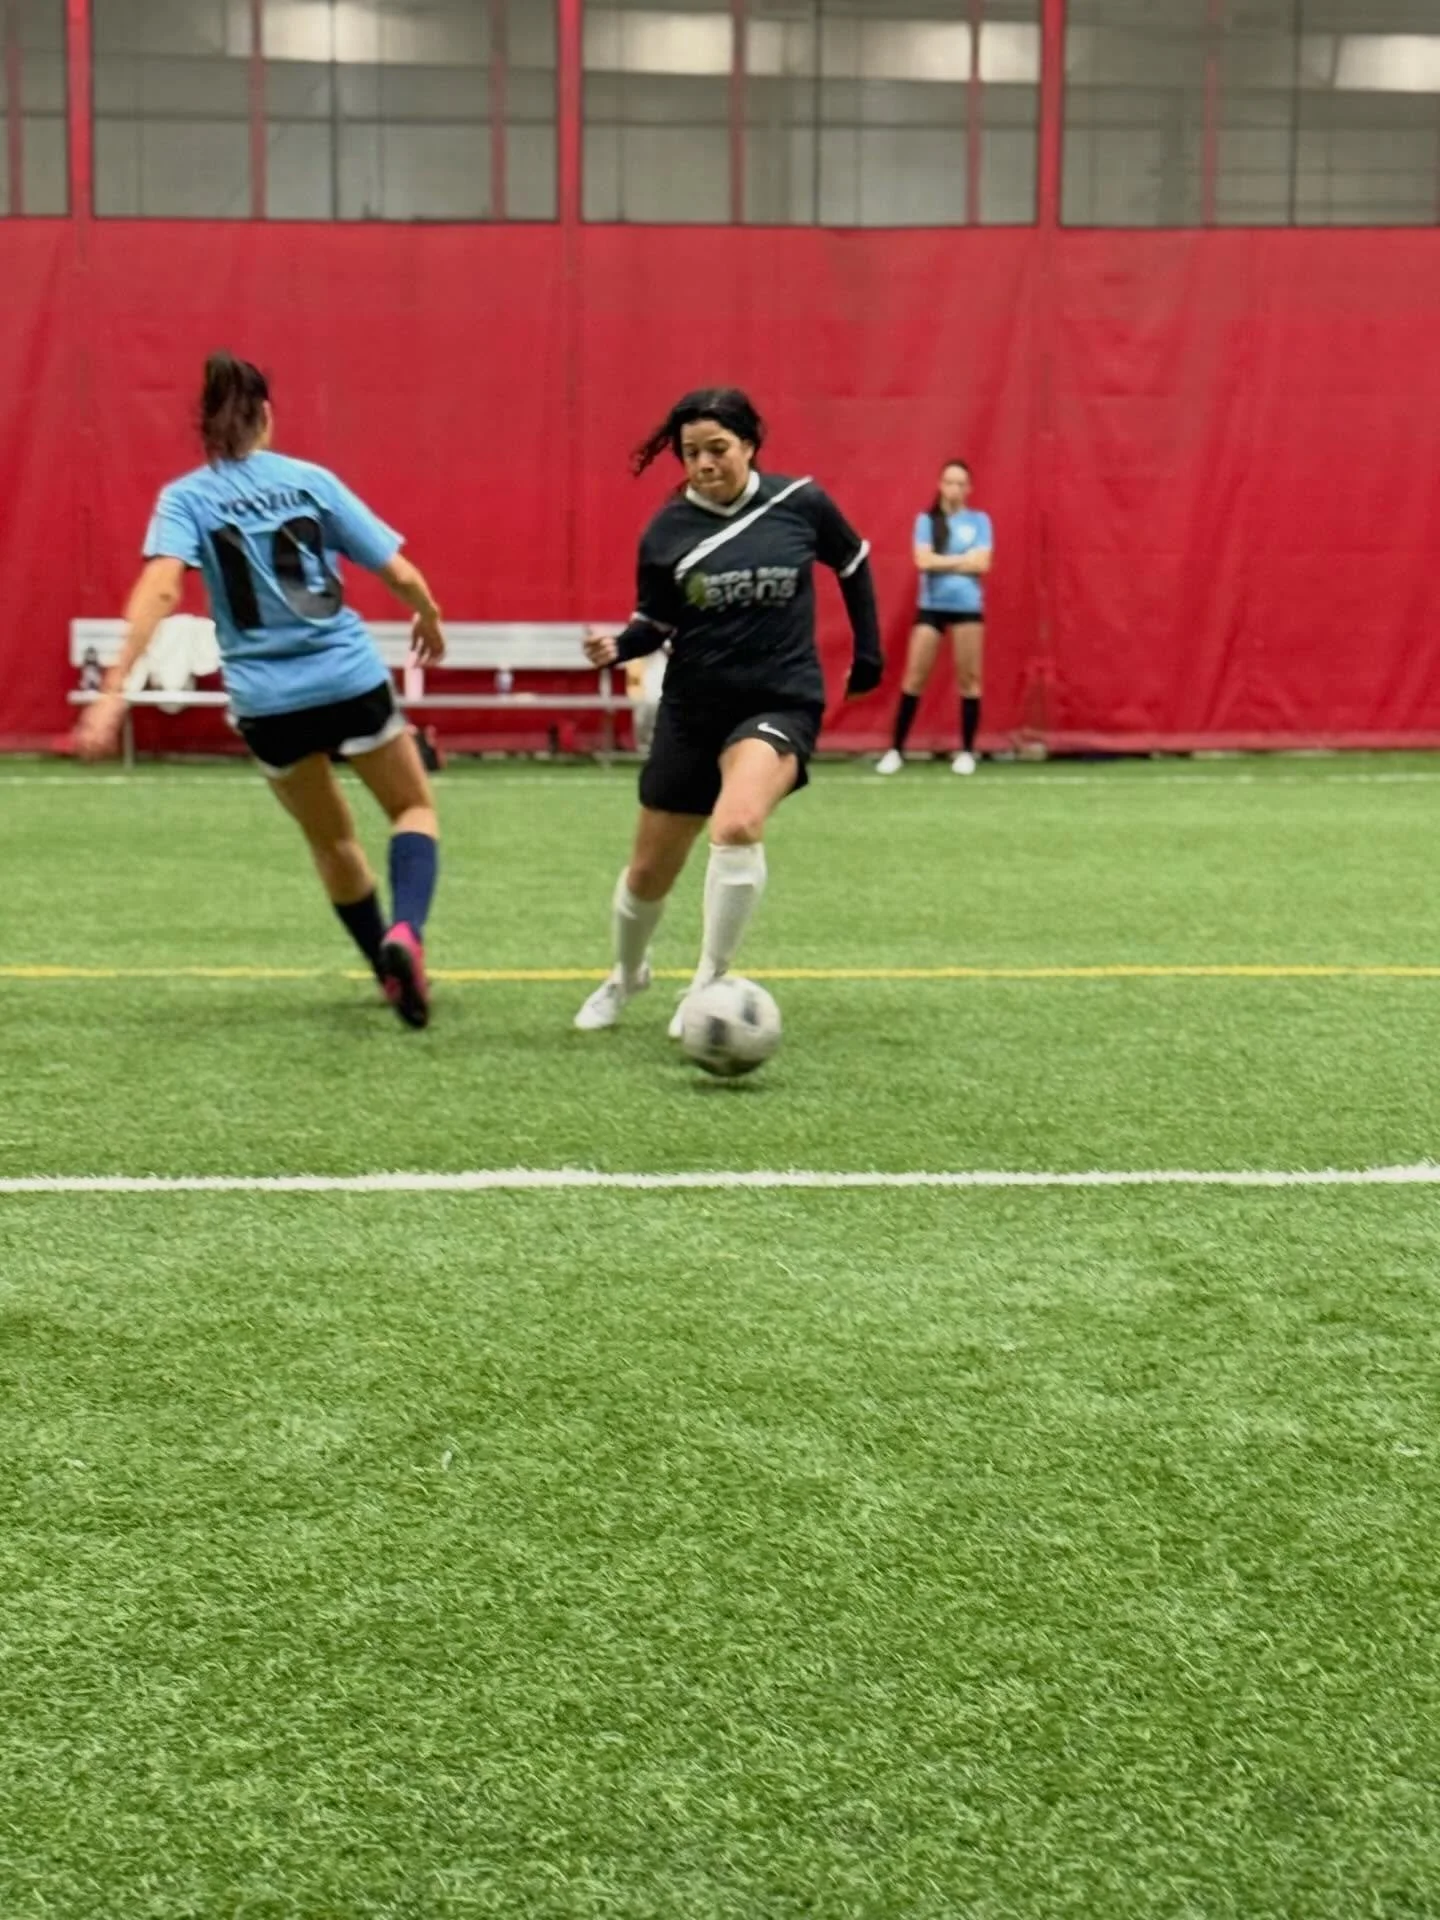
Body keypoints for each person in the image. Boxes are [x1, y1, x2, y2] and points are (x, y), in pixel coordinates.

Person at [75, 352, 446, 1029]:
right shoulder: (312, 482)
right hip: (346, 678)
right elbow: (396, 570)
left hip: (267, 701)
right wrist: (429, 615)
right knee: (412, 808)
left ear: (206, 428)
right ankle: (407, 934)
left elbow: (161, 587)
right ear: (267, 416)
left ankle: (384, 974)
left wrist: (113, 689)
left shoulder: (185, 498)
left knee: (332, 840)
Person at [573, 386, 883, 1037]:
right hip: (693, 707)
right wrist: (617, 646)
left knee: (738, 822)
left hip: (779, 700)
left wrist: (870, 651)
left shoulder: (799, 503)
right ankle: (628, 973)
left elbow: (853, 562)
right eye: (691, 453)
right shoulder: (667, 531)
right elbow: (653, 623)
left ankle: (710, 983)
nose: (705, 463)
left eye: (718, 448)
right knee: (648, 873)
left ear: (749, 445)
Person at [876, 459, 993, 777]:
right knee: (914, 677)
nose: (954, 489)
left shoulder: (980, 521)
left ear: (968, 489)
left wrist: (945, 562)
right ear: (940, 485)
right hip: (932, 606)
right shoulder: (926, 521)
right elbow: (923, 560)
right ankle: (895, 750)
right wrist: (961, 560)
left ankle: (967, 752)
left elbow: (982, 564)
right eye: (949, 482)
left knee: (970, 680)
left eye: (960, 483)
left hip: (968, 606)